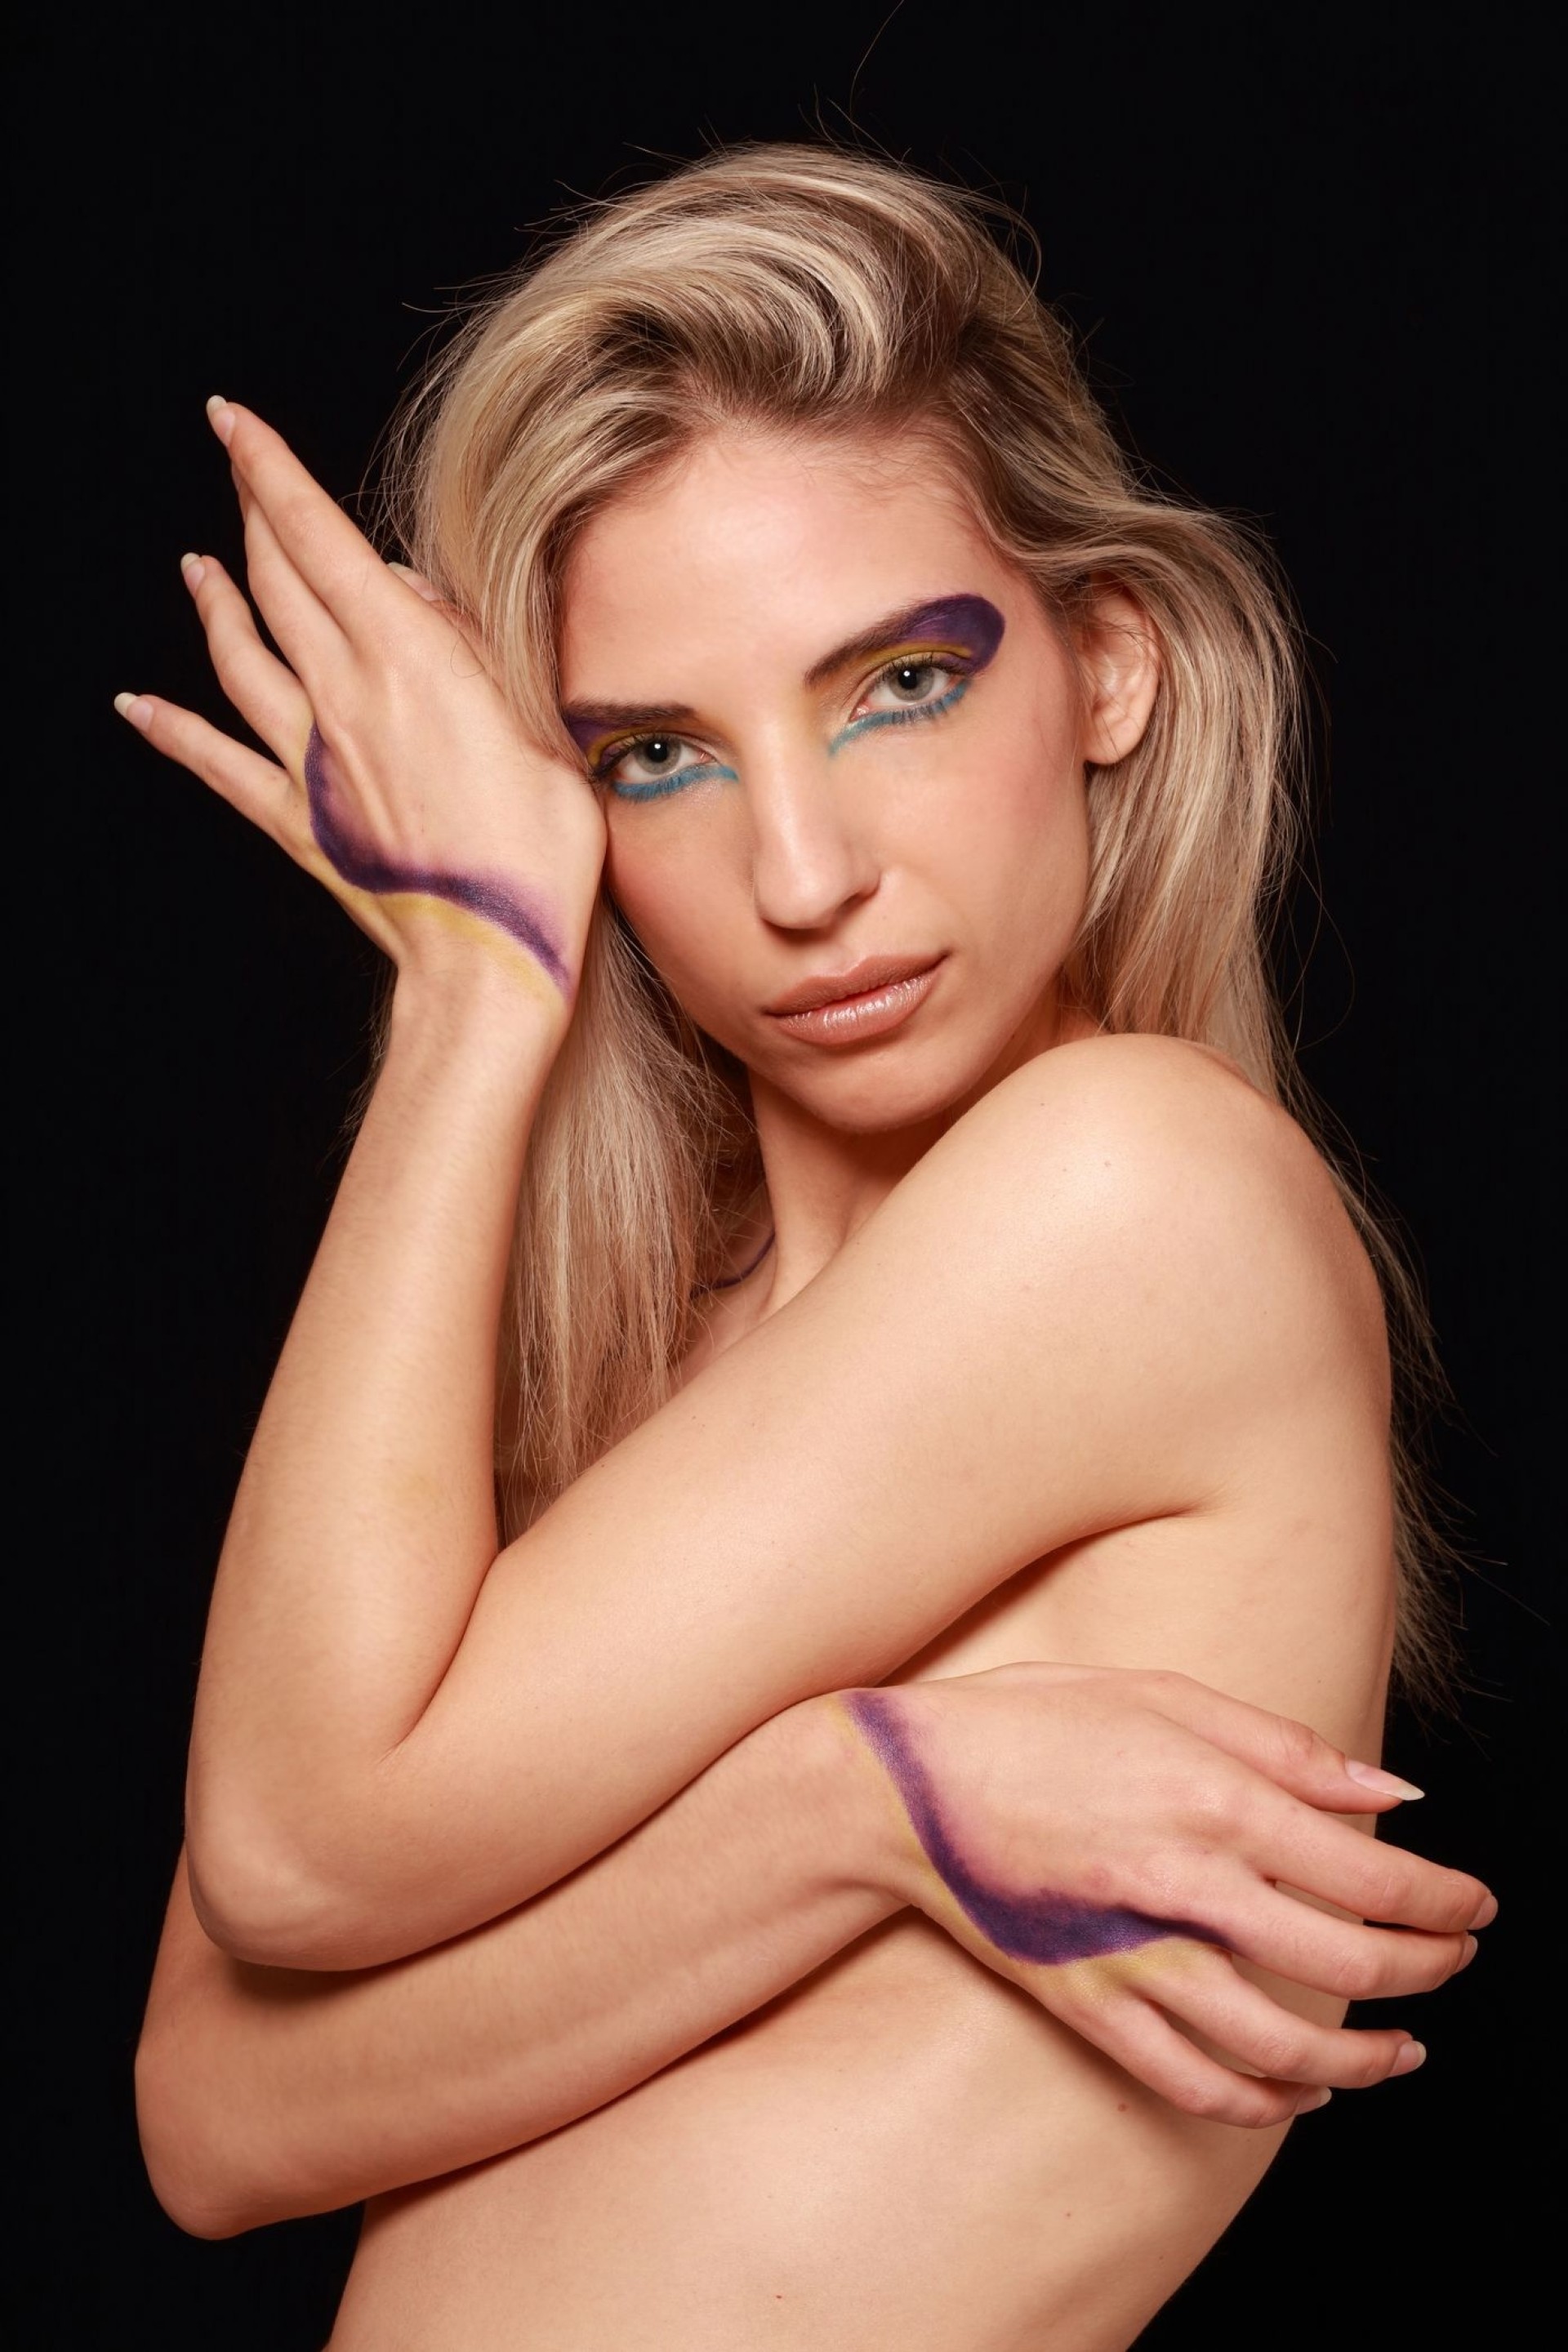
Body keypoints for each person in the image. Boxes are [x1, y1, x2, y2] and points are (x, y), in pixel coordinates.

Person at [127, 145, 1492, 2350]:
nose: (800, 872)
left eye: (899, 686)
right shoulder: (665, 1335)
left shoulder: (1136, 1192)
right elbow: (209, 2116)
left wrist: (473, 997)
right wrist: (847, 1816)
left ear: (1109, 667)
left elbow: (298, 1857)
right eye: (659, 753)